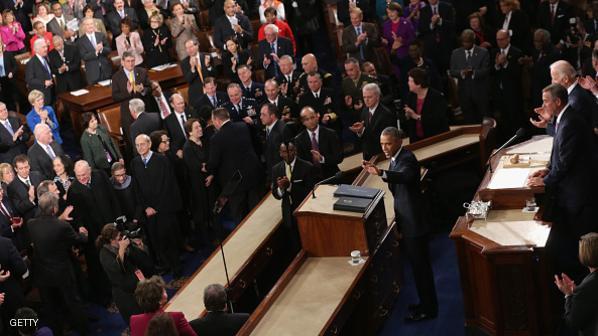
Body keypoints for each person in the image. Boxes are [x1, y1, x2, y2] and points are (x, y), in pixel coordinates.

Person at [362, 126, 438, 322]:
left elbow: (406, 176)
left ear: (399, 142)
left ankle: (429, 310)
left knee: (421, 269)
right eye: (382, 144)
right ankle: (425, 303)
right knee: (418, 268)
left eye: (388, 143)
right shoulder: (395, 159)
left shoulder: (406, 158)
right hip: (408, 221)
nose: (385, 148)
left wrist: (381, 173)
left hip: (415, 223)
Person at [527, 84, 598, 284]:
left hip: (580, 197)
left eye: (546, 101)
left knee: (582, 250)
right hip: (572, 195)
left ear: (558, 102)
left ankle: (583, 288)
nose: (543, 105)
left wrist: (544, 181)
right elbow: (558, 153)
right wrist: (548, 169)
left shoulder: (571, 122)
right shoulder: (563, 119)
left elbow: (566, 163)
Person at [28, 192, 89, 336]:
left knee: (51, 307)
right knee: (73, 303)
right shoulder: (62, 226)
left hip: (43, 275)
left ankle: (56, 332)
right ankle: (84, 331)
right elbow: (79, 240)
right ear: (55, 209)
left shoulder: (31, 224)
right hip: (62, 273)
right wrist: (83, 233)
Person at [68, 160, 121, 304]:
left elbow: (112, 198)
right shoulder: (73, 190)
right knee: (100, 265)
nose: (82, 178)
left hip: (111, 226)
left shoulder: (100, 176)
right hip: (94, 235)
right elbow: (75, 215)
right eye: (78, 176)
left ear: (90, 170)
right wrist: (79, 226)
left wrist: (119, 220)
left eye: (84, 175)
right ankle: (107, 298)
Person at [131, 134, 183, 276]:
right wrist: (146, 207)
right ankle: (166, 265)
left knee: (170, 238)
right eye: (137, 145)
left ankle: (177, 268)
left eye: (142, 144)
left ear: (149, 144)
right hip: (148, 212)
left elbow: (168, 185)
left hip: (165, 209)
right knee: (157, 240)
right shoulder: (135, 163)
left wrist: (157, 207)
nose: (140, 147)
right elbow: (137, 188)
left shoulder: (162, 160)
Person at [208, 108, 263, 224]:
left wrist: (208, 169)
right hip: (253, 174)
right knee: (257, 210)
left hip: (235, 182)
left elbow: (214, 162)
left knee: (239, 215)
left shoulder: (216, 139)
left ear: (217, 121)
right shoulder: (243, 127)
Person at [97, 224, 145, 325]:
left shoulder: (121, 246)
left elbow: (139, 260)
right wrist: (122, 249)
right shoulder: (104, 254)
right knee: (138, 322)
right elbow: (116, 268)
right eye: (119, 237)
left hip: (137, 286)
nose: (121, 239)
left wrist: (134, 246)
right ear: (112, 240)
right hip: (124, 294)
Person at [271, 141, 314, 251]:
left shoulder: (307, 167)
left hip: (305, 212)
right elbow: (276, 194)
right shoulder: (276, 169)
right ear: (280, 153)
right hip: (288, 213)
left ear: (295, 151)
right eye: (284, 152)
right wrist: (281, 188)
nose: (288, 154)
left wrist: (290, 186)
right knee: (295, 246)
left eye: (290, 151)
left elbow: (311, 192)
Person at [554, 232, 598, 336]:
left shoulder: (588, 286)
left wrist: (568, 295)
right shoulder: (587, 286)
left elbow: (572, 323)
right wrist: (576, 291)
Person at [112, 51, 152, 154]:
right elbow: (115, 97)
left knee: (148, 140)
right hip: (128, 116)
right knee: (134, 145)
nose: (131, 63)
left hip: (143, 113)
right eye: (128, 61)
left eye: (133, 61)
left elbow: (149, 88)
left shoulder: (142, 71)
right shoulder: (116, 77)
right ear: (122, 62)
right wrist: (127, 92)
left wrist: (143, 90)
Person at [130, 276, 197, 336]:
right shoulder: (176, 317)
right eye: (163, 290)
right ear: (161, 298)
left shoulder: (134, 320)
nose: (165, 291)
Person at [449, 29, 490, 123]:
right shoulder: (456, 53)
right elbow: (452, 71)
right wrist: (462, 73)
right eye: (463, 42)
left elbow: (486, 70)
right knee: (469, 121)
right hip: (464, 93)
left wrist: (473, 73)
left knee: (484, 120)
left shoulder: (483, 52)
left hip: (480, 93)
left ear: (473, 40)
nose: (465, 44)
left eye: (467, 42)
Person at [182, 118, 212, 246]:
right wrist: (206, 166)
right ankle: (207, 242)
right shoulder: (187, 148)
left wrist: (209, 169)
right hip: (198, 186)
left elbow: (210, 160)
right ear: (189, 132)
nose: (200, 129)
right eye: (196, 128)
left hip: (210, 181)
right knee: (203, 214)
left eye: (200, 126)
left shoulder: (205, 141)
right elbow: (197, 167)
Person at [492, 29, 525, 140]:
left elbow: (517, 74)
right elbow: (492, 73)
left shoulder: (517, 52)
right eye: (497, 40)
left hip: (513, 92)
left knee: (514, 118)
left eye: (501, 39)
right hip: (499, 92)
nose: (499, 42)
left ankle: (517, 140)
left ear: (508, 39)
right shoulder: (494, 52)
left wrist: (505, 63)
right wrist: (497, 65)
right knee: (503, 119)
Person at [349, 83, 396, 160]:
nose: (366, 100)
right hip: (367, 156)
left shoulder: (386, 114)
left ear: (377, 97)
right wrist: (360, 131)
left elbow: (383, 139)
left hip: (381, 156)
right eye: (364, 97)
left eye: (369, 97)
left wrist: (363, 130)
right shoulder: (365, 110)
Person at [294, 106, 343, 180]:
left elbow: (339, 157)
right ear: (303, 122)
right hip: (312, 181)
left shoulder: (330, 134)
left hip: (332, 177)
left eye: (312, 117)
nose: (310, 121)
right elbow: (300, 165)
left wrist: (322, 159)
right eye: (307, 119)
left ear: (317, 116)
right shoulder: (299, 140)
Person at [403, 68, 449, 142]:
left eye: (410, 81)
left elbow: (438, 119)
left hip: (436, 138)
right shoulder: (411, 95)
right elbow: (410, 117)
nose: (408, 83)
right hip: (417, 139)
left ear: (418, 84)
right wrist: (408, 115)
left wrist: (417, 116)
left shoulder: (436, 97)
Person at [382, 3, 416, 87]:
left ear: (398, 11)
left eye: (392, 12)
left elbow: (413, 39)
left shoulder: (406, 23)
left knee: (407, 79)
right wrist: (385, 41)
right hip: (392, 56)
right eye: (388, 12)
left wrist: (402, 42)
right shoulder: (386, 25)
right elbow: (386, 39)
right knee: (399, 81)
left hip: (406, 56)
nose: (390, 14)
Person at [418, 0, 455, 73]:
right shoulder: (423, 10)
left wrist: (440, 21)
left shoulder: (447, 7)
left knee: (446, 72)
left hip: (446, 46)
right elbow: (421, 29)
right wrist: (432, 24)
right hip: (430, 48)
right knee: (433, 72)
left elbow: (453, 25)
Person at [180, 38, 218, 108]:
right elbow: (188, 80)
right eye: (187, 48)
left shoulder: (207, 56)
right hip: (196, 93)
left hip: (211, 89)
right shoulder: (184, 63)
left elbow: (215, 75)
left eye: (191, 47)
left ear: (197, 46)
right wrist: (192, 68)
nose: (189, 50)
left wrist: (208, 66)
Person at [341, 58, 376, 126]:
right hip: (355, 119)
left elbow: (378, 99)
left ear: (358, 67)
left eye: (351, 70)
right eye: (347, 71)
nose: (349, 73)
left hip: (371, 116)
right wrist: (350, 105)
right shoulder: (345, 82)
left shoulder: (369, 79)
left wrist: (364, 106)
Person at [78, 17, 112, 85]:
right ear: (83, 26)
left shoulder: (101, 35)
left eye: (91, 24)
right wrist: (95, 52)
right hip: (93, 73)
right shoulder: (81, 41)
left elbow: (108, 50)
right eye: (87, 24)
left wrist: (102, 49)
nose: (90, 26)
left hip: (105, 70)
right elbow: (84, 56)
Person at [7, 155, 42, 221]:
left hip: (45, 213)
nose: (24, 171)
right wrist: (30, 199)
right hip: (31, 220)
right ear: (16, 169)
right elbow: (18, 209)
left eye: (26, 167)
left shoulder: (37, 175)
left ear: (29, 166)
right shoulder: (12, 187)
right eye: (21, 168)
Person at [164, 93, 199, 158]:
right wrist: (176, 150)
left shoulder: (192, 112)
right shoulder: (167, 121)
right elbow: (169, 139)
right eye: (178, 104)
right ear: (172, 105)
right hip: (182, 152)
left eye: (182, 103)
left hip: (197, 148)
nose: (182, 105)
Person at [25, 40, 55, 106]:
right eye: (43, 47)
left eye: (46, 47)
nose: (46, 49)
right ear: (37, 49)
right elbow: (29, 80)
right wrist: (44, 82)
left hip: (51, 93)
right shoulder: (31, 63)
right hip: (41, 97)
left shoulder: (46, 58)